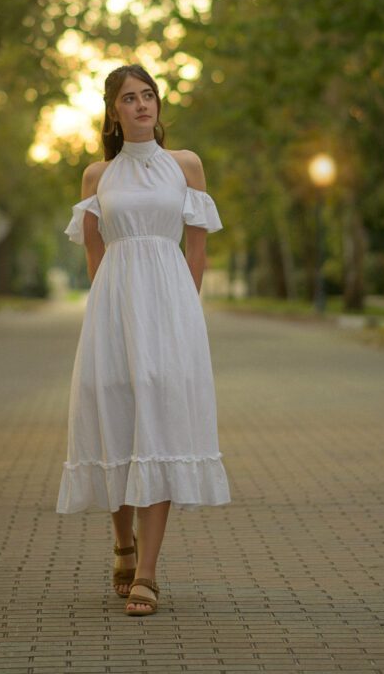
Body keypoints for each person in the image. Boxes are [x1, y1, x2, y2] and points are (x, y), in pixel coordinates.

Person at [56, 63, 231, 616]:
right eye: (129, 98)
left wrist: (186, 312)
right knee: (114, 418)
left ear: (158, 105)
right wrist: (110, 313)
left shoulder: (185, 166)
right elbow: (94, 253)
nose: (141, 104)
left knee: (159, 421)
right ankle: (123, 543)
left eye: (149, 95)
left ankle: (148, 573)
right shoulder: (97, 176)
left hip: (170, 307)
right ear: (113, 111)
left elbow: (196, 251)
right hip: (113, 309)